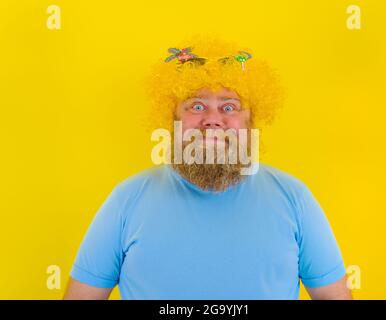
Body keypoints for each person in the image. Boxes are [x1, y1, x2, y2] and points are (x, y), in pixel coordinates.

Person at [63, 35, 352, 300]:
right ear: (172, 119)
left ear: (250, 122)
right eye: (197, 106)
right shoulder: (126, 199)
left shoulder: (294, 198)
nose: (213, 120)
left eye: (229, 107)